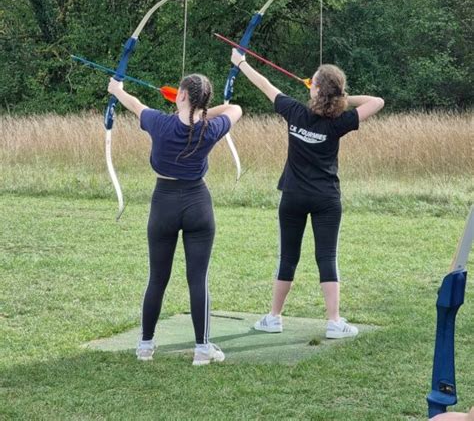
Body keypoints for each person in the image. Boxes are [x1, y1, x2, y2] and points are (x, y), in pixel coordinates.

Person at [230, 48, 384, 338]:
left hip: (294, 196)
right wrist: (339, 98)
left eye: (313, 83)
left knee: (288, 257)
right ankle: (334, 322)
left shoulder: (294, 111)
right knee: (326, 256)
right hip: (326, 197)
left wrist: (240, 63)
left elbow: (264, 84)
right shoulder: (339, 122)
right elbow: (377, 101)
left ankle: (274, 317)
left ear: (315, 90)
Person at [108, 73, 242, 365]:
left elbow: (134, 103)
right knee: (198, 279)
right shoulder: (211, 127)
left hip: (164, 204)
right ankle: (202, 349)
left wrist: (116, 89)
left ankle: (145, 346)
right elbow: (236, 110)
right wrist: (204, 111)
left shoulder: (159, 122)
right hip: (198, 205)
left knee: (157, 277)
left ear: (181, 95)